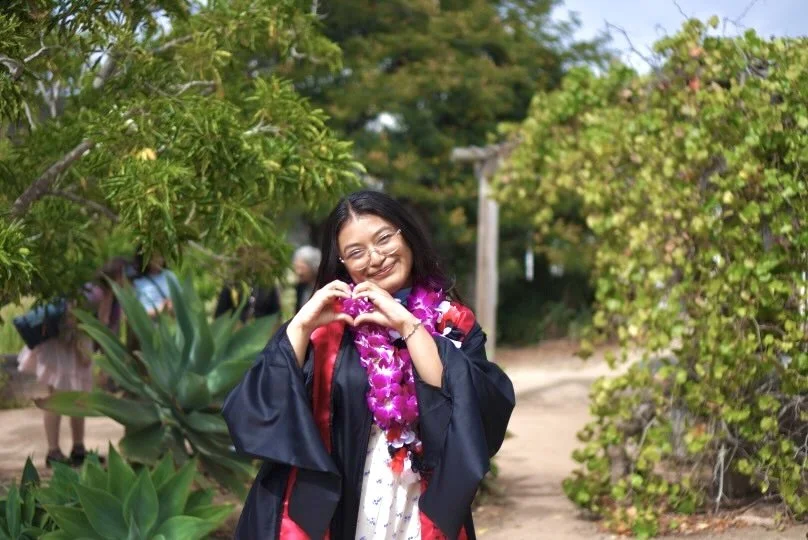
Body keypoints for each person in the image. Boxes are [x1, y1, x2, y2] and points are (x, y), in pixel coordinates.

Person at [223, 190, 515, 539]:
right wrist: (300, 326)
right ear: (342, 264)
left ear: (405, 234)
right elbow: (258, 410)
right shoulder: (331, 329)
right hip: (341, 504)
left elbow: (466, 406)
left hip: (420, 505)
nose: (376, 258)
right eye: (356, 252)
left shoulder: (450, 322)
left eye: (384, 239)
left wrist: (408, 326)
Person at [129, 248, 176, 318]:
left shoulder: (170, 276)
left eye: (161, 256)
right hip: (146, 326)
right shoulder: (136, 280)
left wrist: (171, 306)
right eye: (154, 257)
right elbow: (132, 312)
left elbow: (180, 304)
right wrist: (159, 310)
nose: (158, 260)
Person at [214, 282, 281, 322]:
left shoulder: (269, 285)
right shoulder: (233, 284)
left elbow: (276, 316)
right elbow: (219, 315)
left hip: (262, 334)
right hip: (235, 335)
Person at [292, 245, 321, 312]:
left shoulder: (324, 285)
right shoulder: (300, 287)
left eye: (302, 268)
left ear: (313, 266)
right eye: (296, 267)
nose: (298, 272)